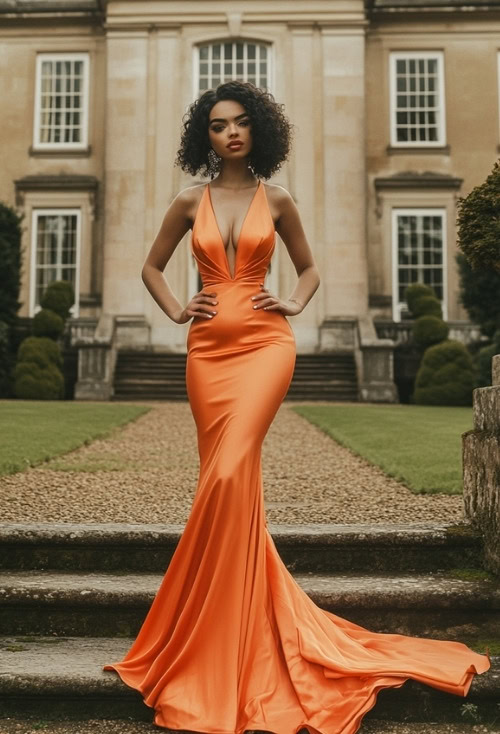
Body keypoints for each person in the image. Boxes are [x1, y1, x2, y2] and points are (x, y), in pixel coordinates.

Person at [102, 81, 490, 733]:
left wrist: (295, 301)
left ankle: (218, 633)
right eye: (219, 124)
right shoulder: (186, 200)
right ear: (205, 133)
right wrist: (175, 309)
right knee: (224, 483)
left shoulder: (276, 200)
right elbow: (152, 267)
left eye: (242, 123)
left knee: (229, 473)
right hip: (206, 356)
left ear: (260, 133)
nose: (231, 133)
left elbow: (308, 270)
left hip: (264, 347)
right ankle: (226, 629)